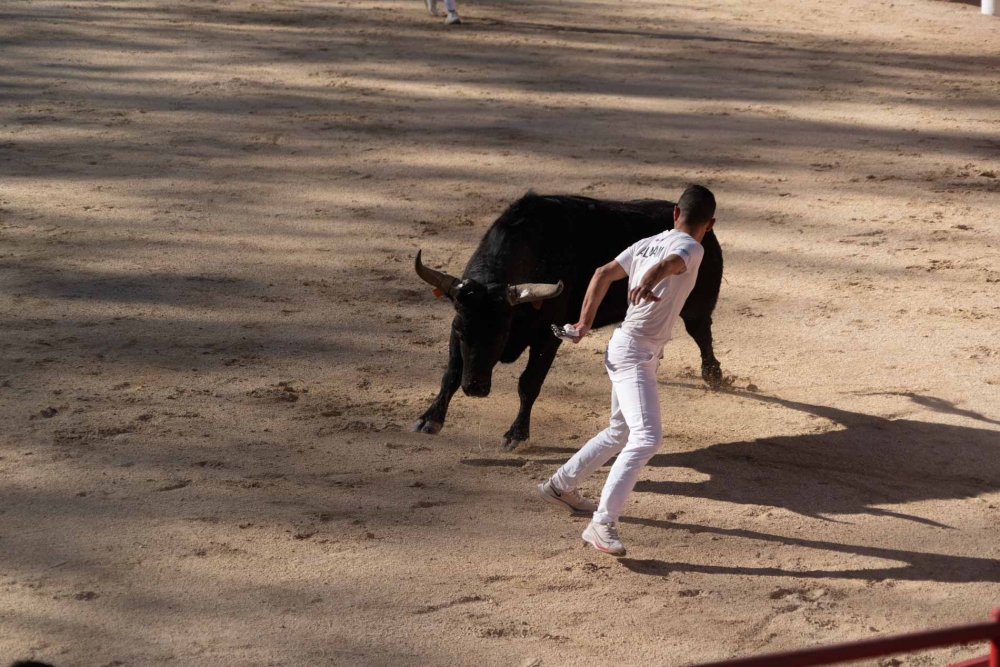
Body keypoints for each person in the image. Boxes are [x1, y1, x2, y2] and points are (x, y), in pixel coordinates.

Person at [537, 185, 717, 556]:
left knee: (620, 430)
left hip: (631, 348)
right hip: (634, 352)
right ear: (710, 224)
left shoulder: (646, 242)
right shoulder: (694, 246)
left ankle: (559, 485)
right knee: (647, 437)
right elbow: (673, 263)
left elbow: (603, 273)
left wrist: (584, 324)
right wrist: (652, 279)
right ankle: (602, 523)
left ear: (674, 213)